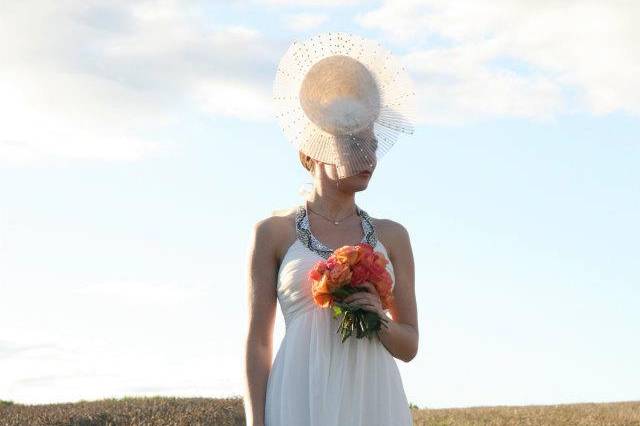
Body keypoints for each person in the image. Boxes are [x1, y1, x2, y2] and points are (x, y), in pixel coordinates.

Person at [243, 31, 418, 426]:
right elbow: (258, 343)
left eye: (373, 144)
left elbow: (409, 346)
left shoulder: (393, 236)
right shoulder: (273, 233)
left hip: (372, 400)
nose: (369, 155)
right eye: (355, 142)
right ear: (317, 145)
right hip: (299, 396)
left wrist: (379, 316)